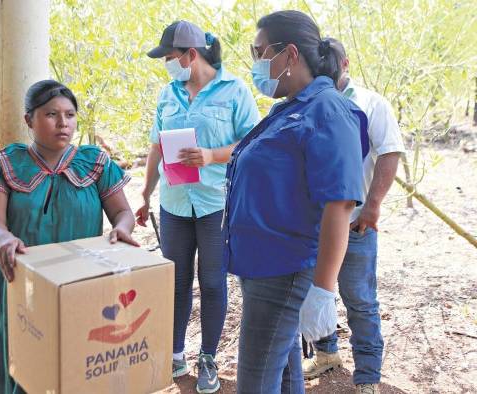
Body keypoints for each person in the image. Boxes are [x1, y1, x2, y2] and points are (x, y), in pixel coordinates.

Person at [223, 10, 370, 393]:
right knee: (285, 369)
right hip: (262, 266)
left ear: (289, 54)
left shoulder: (328, 109)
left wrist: (323, 289)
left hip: (283, 270)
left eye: (260, 53)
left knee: (255, 380)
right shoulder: (288, 108)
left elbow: (339, 202)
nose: (255, 65)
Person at [0, 80, 138, 394]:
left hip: (81, 281)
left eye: (70, 115)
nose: (63, 123)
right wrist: (4, 239)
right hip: (22, 281)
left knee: (79, 360)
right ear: (29, 120)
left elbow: (122, 213)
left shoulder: (95, 163)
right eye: (51, 114)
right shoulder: (6, 165)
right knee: (27, 363)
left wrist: (122, 229)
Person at [135, 20, 259, 394]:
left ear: (191, 55)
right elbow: (157, 146)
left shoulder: (234, 91)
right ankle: (174, 353)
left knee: (212, 281)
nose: (167, 65)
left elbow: (251, 144)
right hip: (174, 202)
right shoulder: (167, 94)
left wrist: (211, 155)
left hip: (215, 204)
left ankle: (208, 357)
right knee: (174, 281)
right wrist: (144, 194)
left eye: (171, 57)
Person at [301, 38, 404, 394]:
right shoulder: (310, 102)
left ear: (345, 63)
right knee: (318, 290)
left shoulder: (371, 103)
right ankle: (326, 353)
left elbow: (390, 152)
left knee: (359, 298)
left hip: (356, 220)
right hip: (314, 222)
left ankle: (368, 376)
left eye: (332, 62)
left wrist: (374, 206)